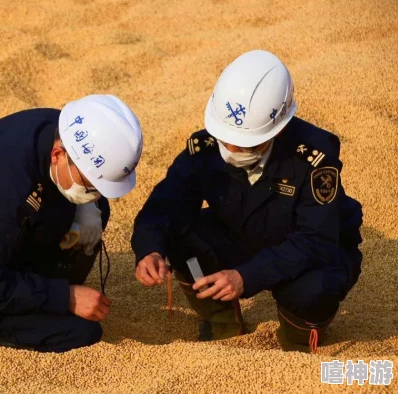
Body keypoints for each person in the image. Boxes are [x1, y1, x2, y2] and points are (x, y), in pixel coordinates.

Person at [131, 50, 362, 352]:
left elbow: (316, 241)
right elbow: (165, 207)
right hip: (241, 234)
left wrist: (246, 276)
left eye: (245, 142)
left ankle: (299, 337)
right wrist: (149, 249)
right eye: (225, 137)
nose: (231, 147)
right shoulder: (205, 147)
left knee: (313, 291)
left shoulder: (313, 158)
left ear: (277, 128)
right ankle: (222, 322)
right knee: (182, 243)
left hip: (304, 252)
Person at [0, 94, 143, 352]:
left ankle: (41, 292)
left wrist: (87, 208)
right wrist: (66, 297)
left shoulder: (62, 129)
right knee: (81, 332)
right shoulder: (1, 190)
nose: (94, 191)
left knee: (95, 211)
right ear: (58, 154)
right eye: (91, 183)